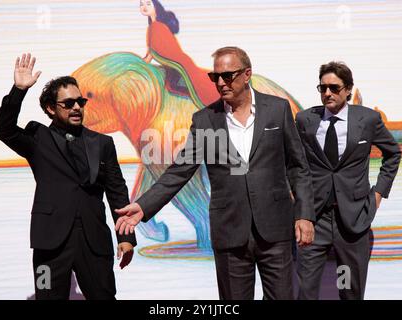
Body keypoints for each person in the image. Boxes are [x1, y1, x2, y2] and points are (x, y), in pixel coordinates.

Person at [115, 46, 315, 300]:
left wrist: (305, 215)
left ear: (247, 74)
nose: (220, 82)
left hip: (275, 230)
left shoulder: (277, 109)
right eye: (215, 77)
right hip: (230, 233)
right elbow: (180, 170)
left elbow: (298, 166)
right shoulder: (205, 119)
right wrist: (144, 206)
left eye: (228, 75)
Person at [0, 53, 136, 300]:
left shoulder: (102, 143)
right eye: (68, 103)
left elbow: (116, 190)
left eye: (80, 101)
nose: (77, 107)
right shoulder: (37, 139)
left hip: (94, 241)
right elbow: (3, 129)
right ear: (51, 108)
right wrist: (18, 90)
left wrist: (125, 236)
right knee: (46, 296)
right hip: (48, 243)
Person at [295, 61, 401, 300]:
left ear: (348, 90)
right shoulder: (305, 120)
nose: (327, 93)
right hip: (315, 219)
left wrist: (377, 195)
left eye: (334, 87)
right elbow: (294, 165)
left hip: (353, 221)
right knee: (305, 291)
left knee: (349, 291)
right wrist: (299, 207)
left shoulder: (368, 119)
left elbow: (393, 154)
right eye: (322, 88)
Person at [140, 0, 219, 108]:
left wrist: (144, 61)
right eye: (141, 4)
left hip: (181, 62)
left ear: (156, 7)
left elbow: (155, 51)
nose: (144, 6)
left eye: (148, 4)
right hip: (180, 62)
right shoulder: (154, 27)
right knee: (172, 86)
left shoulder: (157, 27)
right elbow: (152, 50)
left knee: (199, 84)